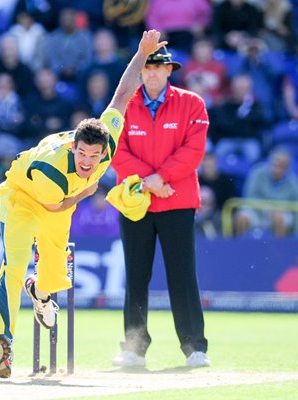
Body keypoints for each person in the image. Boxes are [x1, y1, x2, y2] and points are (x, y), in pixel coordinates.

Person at [0, 30, 167, 379]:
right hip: (26, 197)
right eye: (82, 154)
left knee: (55, 274)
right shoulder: (51, 169)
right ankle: (3, 341)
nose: (88, 161)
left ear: (104, 150)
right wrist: (84, 195)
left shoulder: (107, 139)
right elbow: (52, 207)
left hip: (60, 202)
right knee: (14, 266)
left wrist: (142, 53)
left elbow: (123, 94)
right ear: (74, 148)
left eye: (93, 156)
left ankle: (39, 292)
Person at [110, 45, 210, 369]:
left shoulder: (192, 103)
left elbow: (194, 151)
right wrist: (149, 180)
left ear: (169, 71)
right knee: (136, 276)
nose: (152, 72)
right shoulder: (125, 105)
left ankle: (195, 347)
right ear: (140, 71)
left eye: (159, 67)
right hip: (136, 201)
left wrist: (159, 177)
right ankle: (133, 348)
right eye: (147, 67)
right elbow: (115, 150)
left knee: (182, 276)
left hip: (176, 200)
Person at [234, 147, 298, 238]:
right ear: (270, 162)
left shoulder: (294, 182)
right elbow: (249, 197)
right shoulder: (257, 172)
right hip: (257, 211)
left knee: (279, 218)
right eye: (275, 164)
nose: (277, 169)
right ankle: (240, 248)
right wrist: (269, 209)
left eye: (282, 166)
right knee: (242, 217)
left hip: (282, 213)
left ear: (287, 167)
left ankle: (279, 250)